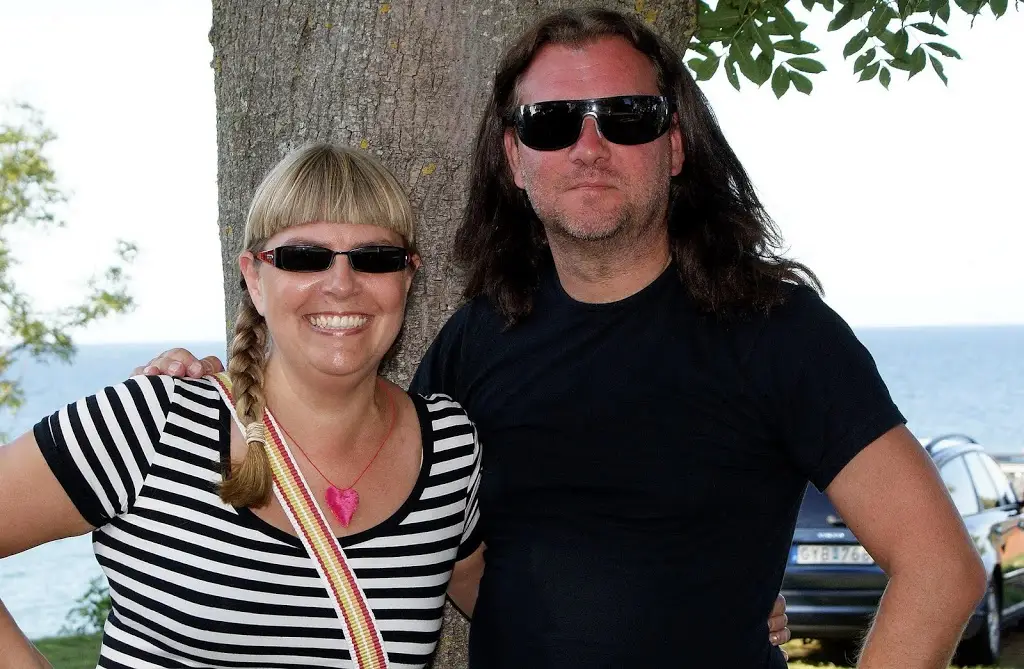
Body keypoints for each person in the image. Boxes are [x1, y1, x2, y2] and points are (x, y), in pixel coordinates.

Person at [133, 7, 986, 669]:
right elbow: (385, 497)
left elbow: (940, 565)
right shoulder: (475, 341)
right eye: (551, 122)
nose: (589, 145)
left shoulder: (776, 329)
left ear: (675, 144)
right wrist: (220, 389)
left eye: (626, 116)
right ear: (515, 157)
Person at [0, 145, 487, 669]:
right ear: (254, 278)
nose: (342, 285)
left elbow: (516, 608)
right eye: (304, 257)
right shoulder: (153, 424)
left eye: (376, 258)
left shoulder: (449, 449)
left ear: (407, 278)